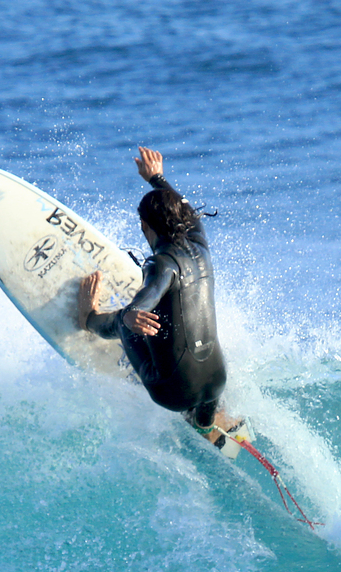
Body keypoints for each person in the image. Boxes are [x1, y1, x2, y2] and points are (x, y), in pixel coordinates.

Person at [78, 146, 235, 443]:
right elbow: (186, 208)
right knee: (179, 332)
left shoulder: (160, 263)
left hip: (172, 393)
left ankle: (88, 319)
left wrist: (134, 311)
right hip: (217, 381)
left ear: (145, 226)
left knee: (125, 323)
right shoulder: (199, 241)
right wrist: (157, 178)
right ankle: (204, 422)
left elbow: (152, 291)